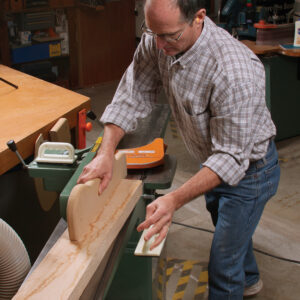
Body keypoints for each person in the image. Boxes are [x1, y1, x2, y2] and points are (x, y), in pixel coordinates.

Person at [77, 0, 280, 298]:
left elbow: (230, 159)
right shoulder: (159, 36)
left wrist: (173, 201)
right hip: (210, 157)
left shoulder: (233, 71)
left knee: (223, 264)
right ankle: (249, 278)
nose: (159, 45)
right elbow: (132, 94)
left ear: (199, 18)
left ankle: (237, 280)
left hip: (250, 171)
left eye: (169, 36)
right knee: (229, 230)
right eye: (152, 32)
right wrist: (106, 152)